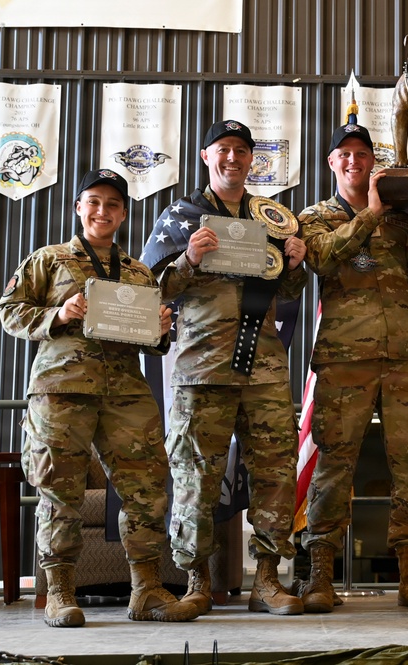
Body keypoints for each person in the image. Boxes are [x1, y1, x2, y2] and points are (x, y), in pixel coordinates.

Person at [0, 169, 198, 627]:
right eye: (93, 202)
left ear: (123, 213)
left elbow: (149, 338)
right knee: (59, 491)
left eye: (112, 204)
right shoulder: (48, 260)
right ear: (78, 207)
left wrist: (160, 332)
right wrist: (57, 313)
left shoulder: (138, 272)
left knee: (147, 491)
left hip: (126, 393)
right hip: (61, 390)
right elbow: (9, 312)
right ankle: (61, 593)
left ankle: (146, 590)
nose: (102, 211)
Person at [296, 122, 408, 612]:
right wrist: (370, 214)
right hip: (343, 359)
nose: (354, 161)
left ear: (374, 164)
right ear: (332, 163)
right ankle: (319, 576)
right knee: (334, 466)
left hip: (404, 357)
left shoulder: (402, 222)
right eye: (345, 154)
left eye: (362, 154)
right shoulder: (313, 218)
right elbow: (324, 259)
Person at [140, 119, 308, 616]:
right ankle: (196, 582)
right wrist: (188, 259)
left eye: (242, 150)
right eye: (224, 149)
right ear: (205, 155)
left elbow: (290, 292)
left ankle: (268, 582)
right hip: (203, 367)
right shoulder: (181, 215)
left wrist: (296, 264)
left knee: (275, 471)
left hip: (266, 369)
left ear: (251, 160)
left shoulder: (273, 217)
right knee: (195, 474)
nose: (233, 158)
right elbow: (150, 290)